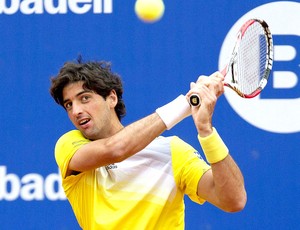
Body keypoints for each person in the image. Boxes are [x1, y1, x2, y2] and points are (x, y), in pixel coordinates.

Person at [49, 58, 246, 230]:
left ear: (111, 98)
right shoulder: (69, 145)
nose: (76, 111)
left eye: (85, 98)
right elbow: (116, 149)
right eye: (69, 105)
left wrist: (206, 131)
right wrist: (185, 104)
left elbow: (233, 200)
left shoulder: (173, 151)